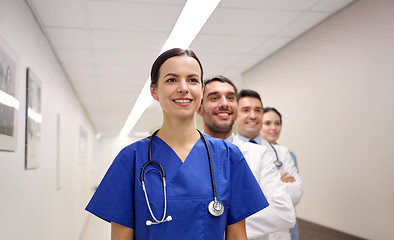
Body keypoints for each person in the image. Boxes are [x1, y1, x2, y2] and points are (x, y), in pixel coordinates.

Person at [85, 48, 268, 240]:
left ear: (202, 91)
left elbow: (238, 236)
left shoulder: (229, 156)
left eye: (192, 80)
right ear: (154, 91)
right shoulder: (130, 159)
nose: (183, 88)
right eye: (172, 80)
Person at [197, 75, 295, 240]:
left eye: (230, 98)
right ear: (200, 108)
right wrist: (250, 207)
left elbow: (284, 213)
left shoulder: (259, 154)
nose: (224, 103)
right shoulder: (187, 156)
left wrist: (212, 223)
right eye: (214, 98)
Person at [234, 90, 303, 240]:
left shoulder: (282, 153)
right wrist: (275, 186)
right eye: (246, 110)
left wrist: (252, 193)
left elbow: (296, 193)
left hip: (279, 235)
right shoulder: (227, 149)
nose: (253, 115)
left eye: (258, 110)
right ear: (234, 114)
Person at [260, 107, 302, 240]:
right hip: (261, 226)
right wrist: (280, 181)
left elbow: (296, 193)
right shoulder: (252, 153)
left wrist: (269, 185)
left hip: (288, 225)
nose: (274, 128)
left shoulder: (289, 155)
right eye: (267, 123)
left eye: (277, 123)